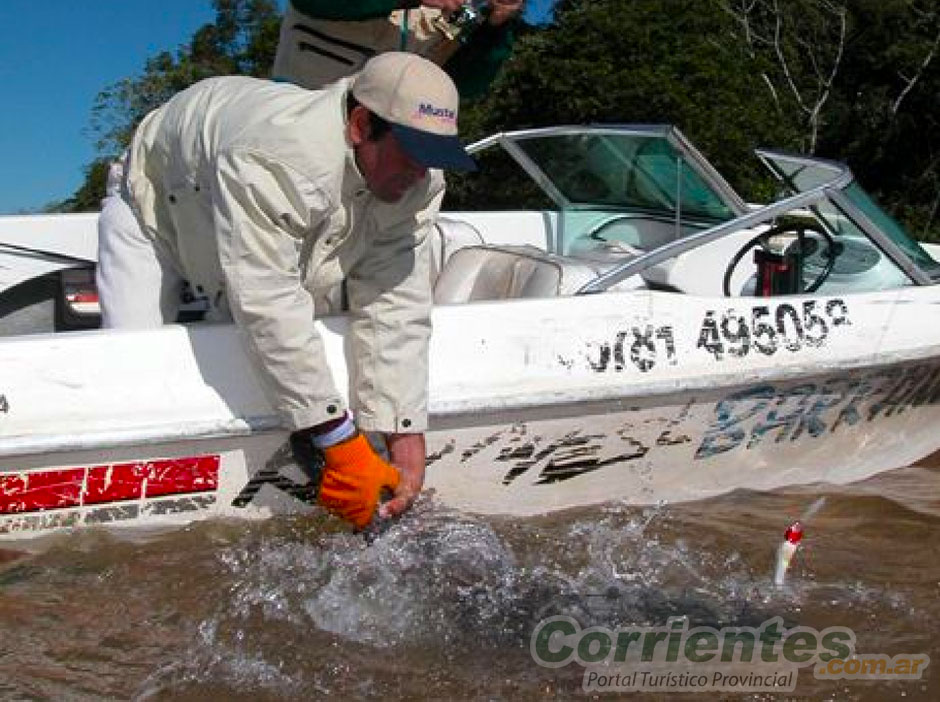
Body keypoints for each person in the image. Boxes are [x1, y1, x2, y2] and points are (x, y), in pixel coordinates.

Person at [95, 52, 477, 529]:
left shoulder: (420, 182)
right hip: (154, 198)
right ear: (361, 126)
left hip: (242, 190)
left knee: (276, 356)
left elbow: (394, 299)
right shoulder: (274, 157)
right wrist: (337, 438)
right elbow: (267, 300)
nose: (422, 173)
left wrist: (403, 431)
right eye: (413, 153)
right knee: (131, 371)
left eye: (435, 157)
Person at [272, 0, 524, 100]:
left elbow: (464, 87)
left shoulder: (457, 11)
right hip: (299, 130)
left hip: (386, 160)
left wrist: (495, 28)